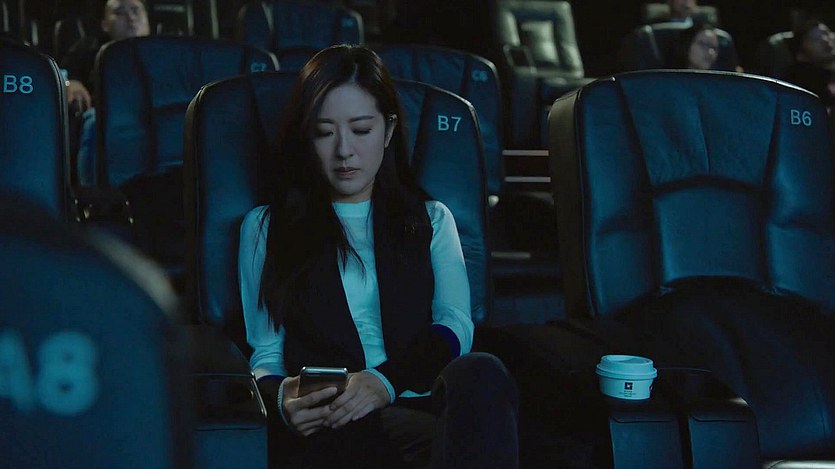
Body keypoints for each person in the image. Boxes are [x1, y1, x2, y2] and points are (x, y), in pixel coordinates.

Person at [238, 44, 519, 468]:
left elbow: (455, 324)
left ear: (387, 132)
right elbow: (266, 354)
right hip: (334, 418)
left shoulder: (431, 219)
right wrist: (280, 399)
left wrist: (383, 383)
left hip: (420, 403)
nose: (344, 150)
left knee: (482, 371)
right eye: (324, 132)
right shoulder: (266, 227)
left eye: (361, 130)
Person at [60, 0, 150, 112]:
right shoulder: (90, 47)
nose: (131, 18)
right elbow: (62, 74)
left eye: (136, 11)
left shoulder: (164, 51)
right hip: (102, 113)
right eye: (120, 13)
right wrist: (71, 84)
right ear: (105, 25)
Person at [786, 18, 835, 111]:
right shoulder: (802, 84)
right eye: (815, 39)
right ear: (801, 55)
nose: (825, 40)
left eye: (826, 33)